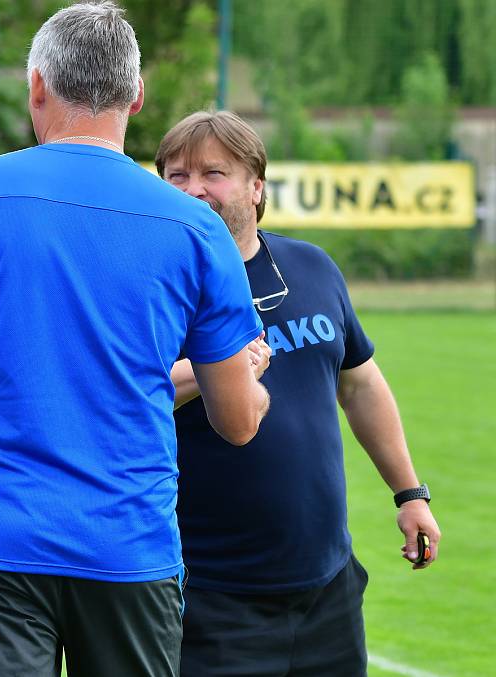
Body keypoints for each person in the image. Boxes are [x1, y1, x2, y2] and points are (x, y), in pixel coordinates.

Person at [0, 4, 269, 676]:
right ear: (136, 94)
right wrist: (251, 384)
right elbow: (238, 421)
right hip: (127, 549)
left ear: (36, 85)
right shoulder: (196, 227)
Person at [156, 110, 442, 677]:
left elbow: (360, 384)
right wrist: (215, 369)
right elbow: (124, 399)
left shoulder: (311, 268)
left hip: (326, 590)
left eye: (214, 173)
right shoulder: (149, 287)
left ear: (256, 186)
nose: (193, 189)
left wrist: (409, 492)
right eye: (177, 175)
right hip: (212, 596)